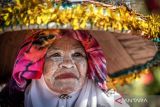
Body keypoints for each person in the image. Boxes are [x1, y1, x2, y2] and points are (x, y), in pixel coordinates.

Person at [1, 30, 129, 107]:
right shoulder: (8, 102)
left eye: (77, 54)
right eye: (56, 55)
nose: (68, 64)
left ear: (89, 64)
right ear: (38, 64)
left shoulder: (114, 103)